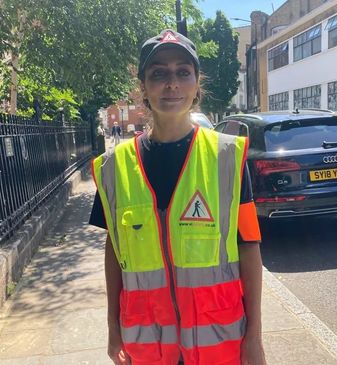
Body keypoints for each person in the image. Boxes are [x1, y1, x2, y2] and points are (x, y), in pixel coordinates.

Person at [90, 29, 266, 365]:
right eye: (159, 73)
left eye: (183, 72)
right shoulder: (114, 168)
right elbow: (114, 252)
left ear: (197, 83)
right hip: (148, 346)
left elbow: (249, 247)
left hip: (219, 342)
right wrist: (113, 328)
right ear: (143, 85)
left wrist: (255, 338)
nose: (172, 83)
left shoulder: (226, 158)